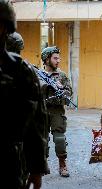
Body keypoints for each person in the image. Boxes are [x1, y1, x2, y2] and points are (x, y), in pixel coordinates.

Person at [0, 0, 48, 188]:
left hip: (8, 162)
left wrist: (36, 168)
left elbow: (36, 122)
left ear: (5, 28)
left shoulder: (20, 70)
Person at [40, 46, 73, 177]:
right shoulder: (37, 74)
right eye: (55, 58)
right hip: (41, 110)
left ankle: (62, 164)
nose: (58, 60)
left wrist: (62, 90)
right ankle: (43, 163)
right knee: (42, 139)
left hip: (57, 110)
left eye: (59, 58)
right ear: (47, 59)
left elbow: (70, 94)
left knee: (59, 138)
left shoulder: (62, 75)